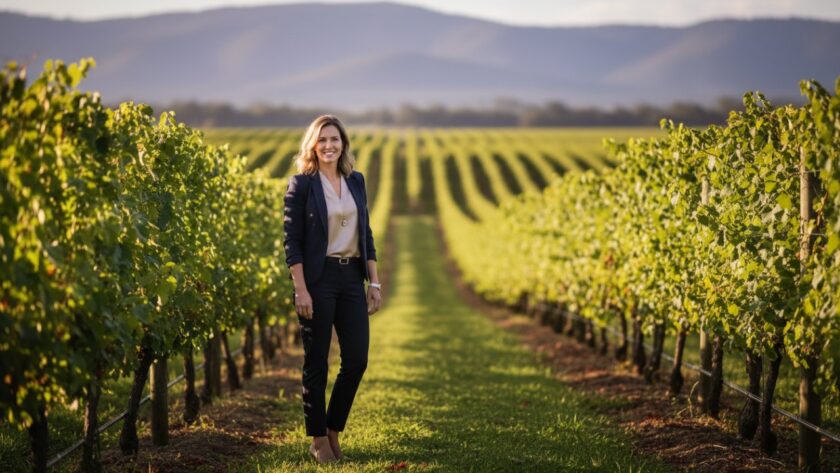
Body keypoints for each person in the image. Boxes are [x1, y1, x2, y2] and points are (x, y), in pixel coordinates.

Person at [283, 114, 382, 463]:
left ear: (343, 145)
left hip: (352, 278)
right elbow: (292, 242)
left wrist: (374, 281)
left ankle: (333, 429)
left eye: (335, 139)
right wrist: (301, 289)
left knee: (356, 360)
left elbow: (366, 234)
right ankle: (318, 440)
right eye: (322, 140)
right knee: (317, 362)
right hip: (318, 280)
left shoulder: (356, 181)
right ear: (313, 145)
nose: (329, 145)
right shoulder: (301, 185)